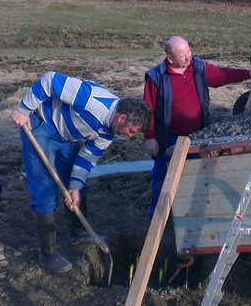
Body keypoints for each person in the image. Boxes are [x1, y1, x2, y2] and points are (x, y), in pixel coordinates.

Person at [11, 71, 152, 273]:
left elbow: (88, 157)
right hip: (41, 127)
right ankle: (47, 255)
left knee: (77, 186)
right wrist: (24, 109)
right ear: (122, 118)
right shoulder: (91, 100)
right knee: (45, 192)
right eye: (131, 131)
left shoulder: (110, 130)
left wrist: (75, 186)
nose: (129, 136)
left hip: (67, 137)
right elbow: (51, 80)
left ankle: (78, 233)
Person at [143, 36, 251, 218]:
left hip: (197, 136)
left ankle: (193, 216)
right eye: (182, 55)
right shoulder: (156, 78)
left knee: (198, 175)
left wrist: (249, 73)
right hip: (168, 138)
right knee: (163, 178)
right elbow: (147, 109)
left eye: (189, 51)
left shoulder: (198, 68)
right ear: (170, 58)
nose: (188, 57)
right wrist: (150, 137)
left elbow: (222, 75)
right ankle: (158, 219)